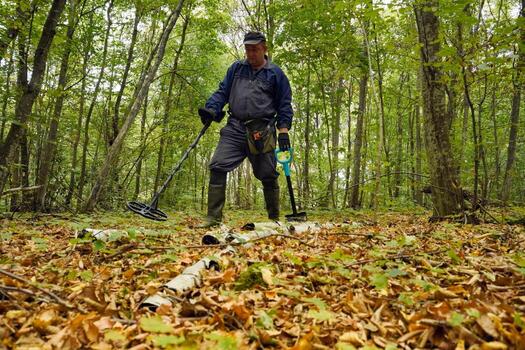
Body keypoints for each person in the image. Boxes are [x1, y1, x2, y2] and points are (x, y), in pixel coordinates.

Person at [197, 31, 293, 228]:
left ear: (264, 49)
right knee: (217, 165)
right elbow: (222, 91)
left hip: (262, 131)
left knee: (267, 174)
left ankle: (274, 218)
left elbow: (284, 104)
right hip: (235, 127)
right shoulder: (237, 69)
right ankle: (212, 218)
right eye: (248, 49)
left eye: (255, 49)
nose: (251, 54)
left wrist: (283, 131)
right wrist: (211, 108)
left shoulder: (276, 74)